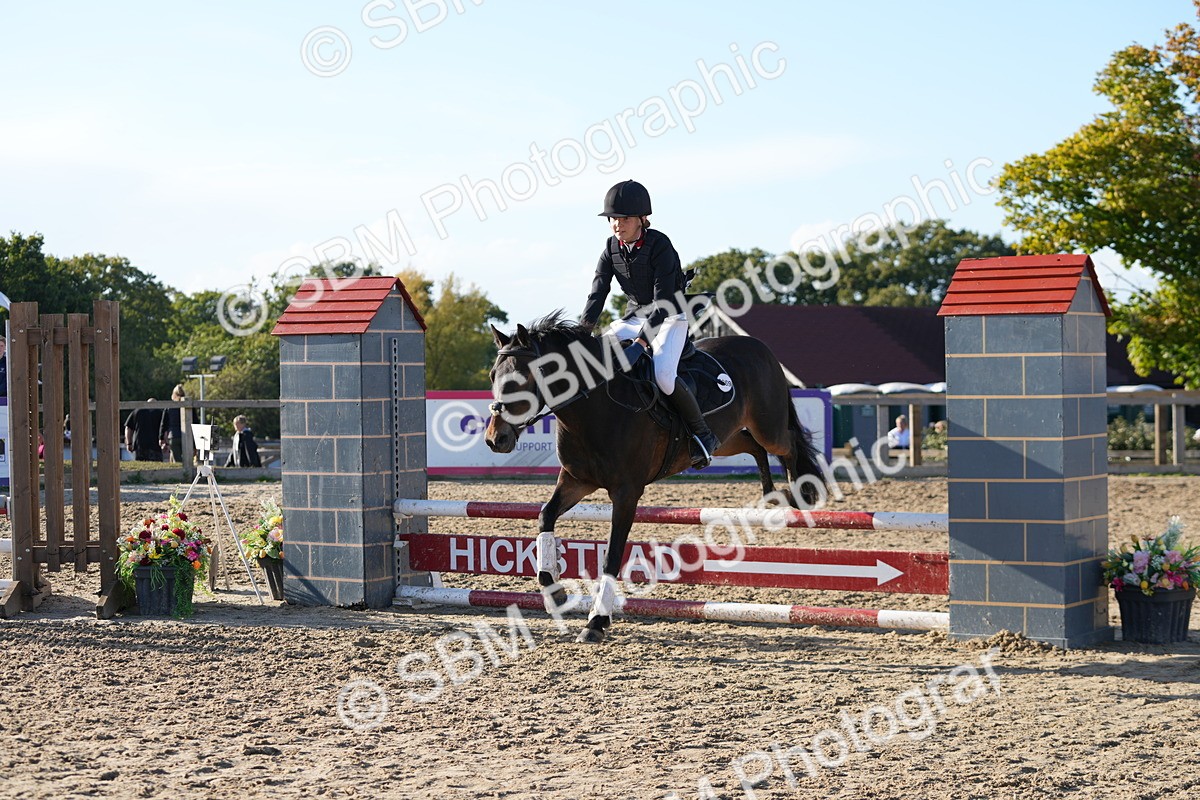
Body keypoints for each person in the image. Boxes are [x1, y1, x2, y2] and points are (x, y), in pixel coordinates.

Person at [580, 179, 720, 469]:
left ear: (642, 219)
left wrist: (642, 343)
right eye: (613, 219)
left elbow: (663, 302)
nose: (617, 225)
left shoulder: (660, 245)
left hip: (670, 316)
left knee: (664, 376)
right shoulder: (610, 249)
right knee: (597, 357)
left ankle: (703, 435)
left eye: (625, 218)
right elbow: (598, 293)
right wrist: (582, 333)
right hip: (634, 315)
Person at [158, 384, 195, 463]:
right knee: (187, 461)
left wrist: (161, 438)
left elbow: (163, 423)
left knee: (177, 461)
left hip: (173, 436)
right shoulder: (189, 406)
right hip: (188, 436)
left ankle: (177, 474)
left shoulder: (169, 407)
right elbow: (195, 422)